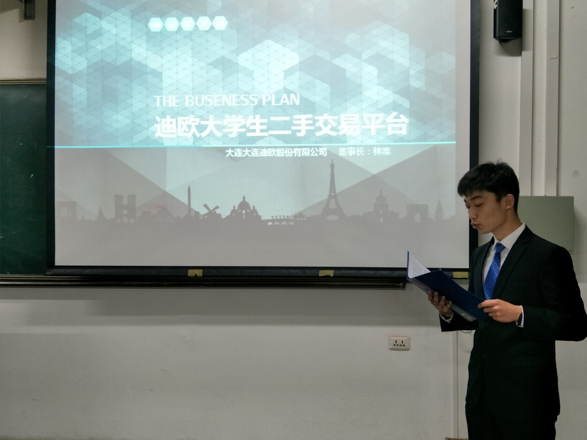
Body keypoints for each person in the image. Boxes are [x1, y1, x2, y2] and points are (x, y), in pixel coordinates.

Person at [428, 161, 587, 440]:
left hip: (527, 399)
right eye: (467, 206)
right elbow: (481, 318)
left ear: (507, 202)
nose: (472, 214)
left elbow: (576, 325)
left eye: (479, 204)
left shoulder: (548, 255)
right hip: (481, 395)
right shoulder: (479, 256)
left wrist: (521, 314)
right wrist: (449, 313)